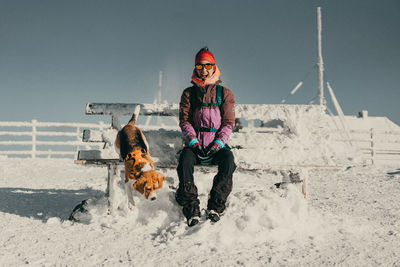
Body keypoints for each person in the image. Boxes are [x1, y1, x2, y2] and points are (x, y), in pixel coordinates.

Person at [175, 47, 236, 227]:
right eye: (200, 66)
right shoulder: (189, 93)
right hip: (195, 145)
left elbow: (228, 122)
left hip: (216, 146)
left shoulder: (224, 93)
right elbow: (184, 120)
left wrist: (219, 142)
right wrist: (192, 140)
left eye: (207, 65)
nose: (204, 70)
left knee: (228, 161)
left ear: (213, 67)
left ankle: (216, 205)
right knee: (185, 161)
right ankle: (191, 206)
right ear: (196, 68)